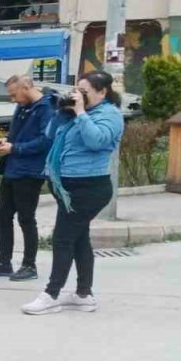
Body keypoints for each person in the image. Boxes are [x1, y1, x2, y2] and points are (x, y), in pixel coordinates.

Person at [21, 71, 124, 316]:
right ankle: (83, 295)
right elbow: (49, 134)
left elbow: (96, 141)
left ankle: (51, 294)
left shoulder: (110, 115)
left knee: (63, 239)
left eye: (85, 92)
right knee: (79, 240)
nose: (79, 95)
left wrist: (80, 113)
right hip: (66, 185)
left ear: (102, 92)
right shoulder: (77, 113)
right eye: (77, 90)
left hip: (88, 187)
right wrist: (63, 111)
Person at [0, 75, 55, 282]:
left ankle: (29, 265)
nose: (13, 99)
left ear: (27, 87)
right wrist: (6, 140)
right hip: (12, 169)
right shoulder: (23, 106)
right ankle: (4, 262)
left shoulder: (46, 108)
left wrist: (14, 148)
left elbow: (45, 141)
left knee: (26, 218)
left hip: (30, 172)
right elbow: (17, 134)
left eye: (14, 94)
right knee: (3, 216)